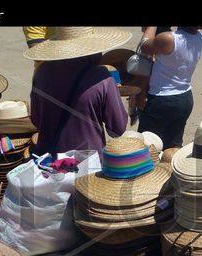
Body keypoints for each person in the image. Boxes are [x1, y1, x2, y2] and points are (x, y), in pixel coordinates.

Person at [23, 26, 132, 158]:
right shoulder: (102, 78)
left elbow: (36, 120)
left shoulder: (41, 73)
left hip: (48, 162)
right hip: (87, 165)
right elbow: (117, 129)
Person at [137, 26, 202, 149]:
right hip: (185, 98)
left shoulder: (169, 39)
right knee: (172, 150)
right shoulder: (199, 37)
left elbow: (144, 46)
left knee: (146, 148)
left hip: (162, 100)